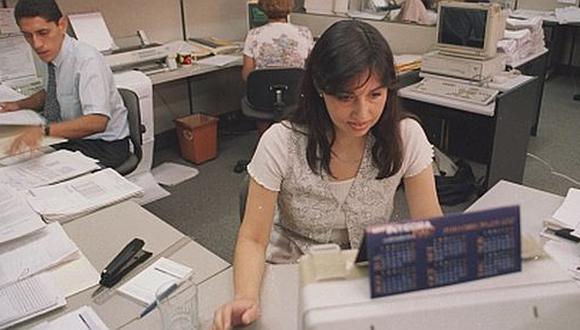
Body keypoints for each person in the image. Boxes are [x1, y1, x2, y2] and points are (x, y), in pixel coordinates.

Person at [213, 20, 443, 329]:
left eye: (375, 95)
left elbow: (429, 224)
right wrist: (246, 297)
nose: (362, 114)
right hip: (293, 270)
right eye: (346, 97)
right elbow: (254, 239)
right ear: (321, 89)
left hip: (367, 274)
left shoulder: (406, 135)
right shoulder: (281, 141)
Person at [0, 0, 130, 168]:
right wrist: (17, 105)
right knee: (16, 160)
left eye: (43, 32)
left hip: (102, 145)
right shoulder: (53, 54)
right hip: (70, 138)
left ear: (61, 25)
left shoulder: (86, 60)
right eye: (27, 35)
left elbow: (97, 121)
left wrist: (43, 132)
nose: (36, 44)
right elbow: (49, 94)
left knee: (35, 171)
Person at [241, 0, 313, 81]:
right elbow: (312, 68)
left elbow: (247, 75)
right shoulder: (304, 33)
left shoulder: (253, 34)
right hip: (296, 91)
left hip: (263, 91)